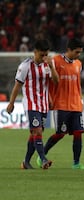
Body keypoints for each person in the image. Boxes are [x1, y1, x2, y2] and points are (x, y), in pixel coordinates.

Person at [6, 39, 59, 169]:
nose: (44, 57)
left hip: (44, 104)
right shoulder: (25, 66)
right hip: (31, 104)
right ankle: (43, 159)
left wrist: (51, 66)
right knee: (38, 131)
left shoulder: (48, 65)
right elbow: (17, 86)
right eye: (42, 55)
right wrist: (11, 103)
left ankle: (26, 162)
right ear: (35, 52)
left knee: (35, 134)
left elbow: (56, 82)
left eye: (46, 54)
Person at [38, 38, 84, 170]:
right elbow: (49, 81)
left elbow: (77, 84)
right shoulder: (55, 61)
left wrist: (80, 100)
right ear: (68, 50)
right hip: (61, 104)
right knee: (61, 133)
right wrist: (49, 98)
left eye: (80, 53)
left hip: (76, 104)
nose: (78, 55)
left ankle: (76, 163)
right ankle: (42, 154)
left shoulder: (78, 63)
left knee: (78, 132)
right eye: (76, 52)